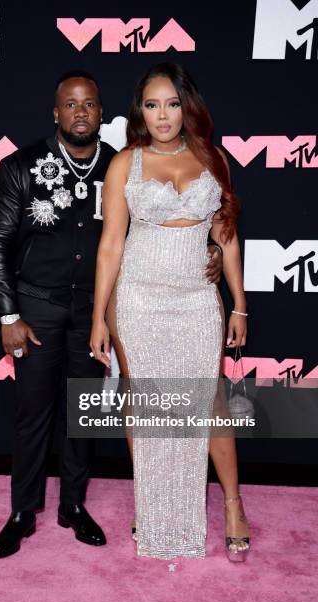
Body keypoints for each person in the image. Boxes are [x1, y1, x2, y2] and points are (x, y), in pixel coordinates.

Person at [0, 69, 222, 559]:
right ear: (56, 112)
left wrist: (209, 251)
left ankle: (73, 504)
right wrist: (8, 316)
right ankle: (23, 513)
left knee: (82, 415)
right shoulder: (21, 165)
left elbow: (159, 228)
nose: (80, 112)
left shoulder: (121, 164)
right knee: (34, 415)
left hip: (96, 309)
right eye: (70, 104)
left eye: (89, 104)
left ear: (101, 112)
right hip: (39, 310)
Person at [90, 63, 250, 561]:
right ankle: (152, 503)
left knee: (210, 405)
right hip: (137, 300)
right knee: (145, 407)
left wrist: (239, 305)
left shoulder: (213, 158)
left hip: (195, 299)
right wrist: (99, 316)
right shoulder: (125, 164)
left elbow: (225, 237)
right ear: (140, 110)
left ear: (188, 106)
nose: (163, 114)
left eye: (172, 103)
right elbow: (111, 245)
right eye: (152, 104)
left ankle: (233, 506)